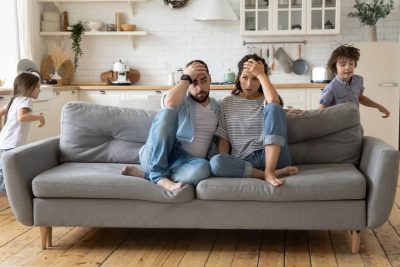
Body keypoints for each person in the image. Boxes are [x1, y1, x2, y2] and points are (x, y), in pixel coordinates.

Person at [121, 60, 219, 192]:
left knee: (204, 168)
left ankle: (148, 176)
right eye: (194, 82)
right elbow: (169, 102)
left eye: (204, 80)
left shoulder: (217, 107)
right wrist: (186, 78)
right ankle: (158, 174)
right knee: (168, 112)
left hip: (186, 164)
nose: (200, 88)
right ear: (187, 83)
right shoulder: (180, 100)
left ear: (210, 78)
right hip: (158, 155)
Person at [210, 54, 299, 187]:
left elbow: (274, 103)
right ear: (238, 77)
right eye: (245, 77)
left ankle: (270, 171)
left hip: (273, 157)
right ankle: (270, 174)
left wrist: (261, 74)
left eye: (255, 79)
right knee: (216, 162)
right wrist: (226, 160)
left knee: (274, 107)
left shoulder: (268, 99)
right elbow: (224, 138)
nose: (249, 84)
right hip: (245, 161)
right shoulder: (227, 103)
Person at [0, 72, 46, 192]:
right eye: (37, 87)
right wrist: (39, 117)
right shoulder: (26, 100)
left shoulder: (13, 100)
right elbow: (22, 117)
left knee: (3, 171)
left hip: (3, 142)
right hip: (11, 145)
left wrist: (1, 130)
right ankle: (9, 198)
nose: (39, 90)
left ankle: (5, 198)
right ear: (28, 87)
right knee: (10, 172)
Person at [319, 44, 390, 118]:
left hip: (355, 124)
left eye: (351, 63)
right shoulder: (331, 88)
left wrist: (378, 106)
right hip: (338, 127)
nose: (348, 67)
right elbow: (321, 111)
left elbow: (360, 98)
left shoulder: (359, 80)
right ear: (334, 67)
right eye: (343, 64)